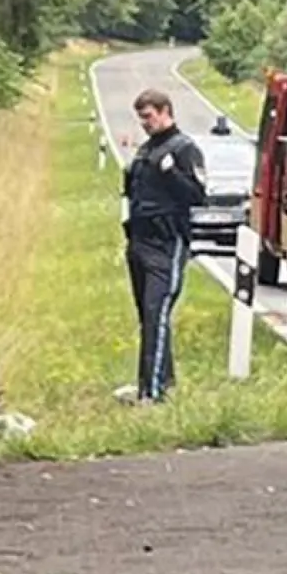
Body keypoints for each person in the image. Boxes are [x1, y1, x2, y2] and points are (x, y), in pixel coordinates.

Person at [116, 88, 207, 405]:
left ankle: (151, 394)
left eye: (149, 116)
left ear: (165, 111)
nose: (145, 123)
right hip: (139, 241)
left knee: (157, 313)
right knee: (149, 317)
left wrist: (170, 173)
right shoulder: (145, 150)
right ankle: (162, 383)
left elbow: (197, 195)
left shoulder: (184, 149)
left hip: (167, 242)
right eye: (141, 118)